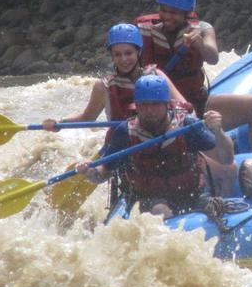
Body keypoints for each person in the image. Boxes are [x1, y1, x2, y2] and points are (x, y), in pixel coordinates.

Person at [138, 0, 252, 151]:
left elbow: (213, 57)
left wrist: (199, 43)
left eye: (174, 12)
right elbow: (127, 63)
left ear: (188, 12)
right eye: (163, 10)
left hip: (198, 103)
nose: (167, 17)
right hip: (161, 111)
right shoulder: (144, 31)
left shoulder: (202, 28)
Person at [76, 75, 231, 220]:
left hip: (192, 194)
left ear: (166, 104)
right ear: (136, 106)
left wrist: (219, 132)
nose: (149, 111)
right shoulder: (125, 132)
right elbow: (104, 173)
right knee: (160, 210)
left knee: (219, 207)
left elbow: (226, 158)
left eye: (155, 104)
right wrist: (90, 172)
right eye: (144, 105)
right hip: (148, 199)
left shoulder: (187, 125)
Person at [41, 23, 188, 130]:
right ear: (112, 56)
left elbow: (185, 107)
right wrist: (59, 123)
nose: (124, 59)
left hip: (156, 136)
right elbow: (87, 118)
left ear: (138, 52)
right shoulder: (103, 86)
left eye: (128, 53)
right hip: (121, 143)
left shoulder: (156, 76)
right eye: (117, 54)